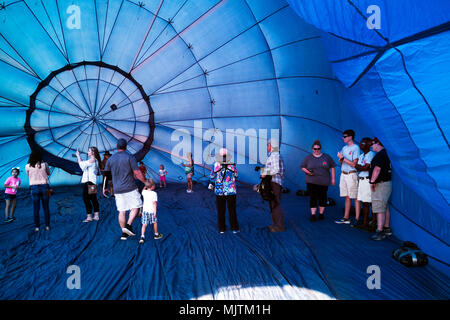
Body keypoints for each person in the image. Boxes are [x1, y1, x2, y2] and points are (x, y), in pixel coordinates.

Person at [103, 139, 150, 240]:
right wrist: (145, 182)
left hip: (117, 189)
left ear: (117, 146)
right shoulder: (129, 157)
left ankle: (124, 233)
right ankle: (128, 226)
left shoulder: (111, 159)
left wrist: (104, 188)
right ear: (126, 147)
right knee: (137, 206)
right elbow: (137, 173)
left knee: (122, 211)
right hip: (130, 187)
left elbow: (106, 175)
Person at [300, 140, 336, 222]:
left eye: (318, 149)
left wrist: (333, 179)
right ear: (312, 149)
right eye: (315, 149)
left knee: (322, 197)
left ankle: (321, 213)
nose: (316, 150)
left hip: (323, 181)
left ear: (321, 148)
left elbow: (332, 167)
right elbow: (302, 167)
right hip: (311, 181)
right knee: (313, 197)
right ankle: (313, 214)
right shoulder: (308, 157)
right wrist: (308, 172)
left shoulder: (326, 157)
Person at [209, 148, 239, 234]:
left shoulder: (216, 165)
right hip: (231, 190)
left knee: (221, 210)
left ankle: (222, 229)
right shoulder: (232, 165)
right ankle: (234, 228)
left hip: (220, 190)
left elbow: (211, 176)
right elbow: (236, 175)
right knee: (232, 209)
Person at [369, 137, 393, 241]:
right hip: (386, 183)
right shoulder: (386, 154)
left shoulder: (380, 155)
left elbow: (377, 169)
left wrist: (372, 181)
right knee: (384, 206)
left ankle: (380, 231)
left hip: (381, 184)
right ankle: (386, 228)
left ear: (378, 143)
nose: (371, 145)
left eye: (373, 143)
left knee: (379, 208)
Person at [335, 129, 360, 224]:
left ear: (350, 137)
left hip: (351, 174)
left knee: (355, 197)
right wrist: (340, 159)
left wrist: (343, 158)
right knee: (346, 196)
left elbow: (354, 164)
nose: (343, 138)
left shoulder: (355, 148)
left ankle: (357, 219)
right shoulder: (344, 148)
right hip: (344, 173)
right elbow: (341, 162)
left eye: (345, 136)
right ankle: (346, 217)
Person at [261, 139, 286, 232]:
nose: (267, 147)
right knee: (272, 203)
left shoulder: (275, 155)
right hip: (272, 182)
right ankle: (275, 224)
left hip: (275, 182)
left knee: (275, 204)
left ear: (270, 146)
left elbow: (276, 170)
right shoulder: (272, 155)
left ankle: (280, 226)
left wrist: (265, 173)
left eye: (267, 145)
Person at [352, 138, 376, 229]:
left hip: (367, 180)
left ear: (368, 145)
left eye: (363, 143)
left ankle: (373, 223)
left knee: (370, 202)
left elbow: (366, 168)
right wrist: (361, 167)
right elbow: (357, 167)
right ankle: (365, 222)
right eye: (361, 143)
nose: (361, 145)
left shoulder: (371, 154)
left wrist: (360, 167)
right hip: (361, 180)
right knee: (364, 202)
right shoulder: (362, 155)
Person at [25, 150, 51, 231]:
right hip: (45, 187)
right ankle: (47, 226)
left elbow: (28, 175)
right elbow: (49, 173)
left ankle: (37, 227)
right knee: (46, 207)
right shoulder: (45, 164)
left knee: (36, 208)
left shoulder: (27, 166)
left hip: (34, 187)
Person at [77, 147, 102, 222]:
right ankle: (96, 216)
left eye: (89, 151)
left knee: (86, 198)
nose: (87, 152)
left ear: (93, 153)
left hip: (89, 182)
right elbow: (83, 165)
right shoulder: (95, 160)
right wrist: (79, 157)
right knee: (93, 198)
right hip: (92, 182)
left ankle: (89, 217)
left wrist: (78, 156)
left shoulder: (92, 160)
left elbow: (81, 165)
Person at [139, 179, 163, 244]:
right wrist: (155, 212)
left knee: (144, 224)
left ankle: (142, 236)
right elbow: (154, 203)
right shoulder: (154, 193)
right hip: (151, 211)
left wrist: (145, 186)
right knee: (155, 222)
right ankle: (156, 234)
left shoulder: (144, 192)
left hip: (145, 211)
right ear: (152, 186)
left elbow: (143, 190)